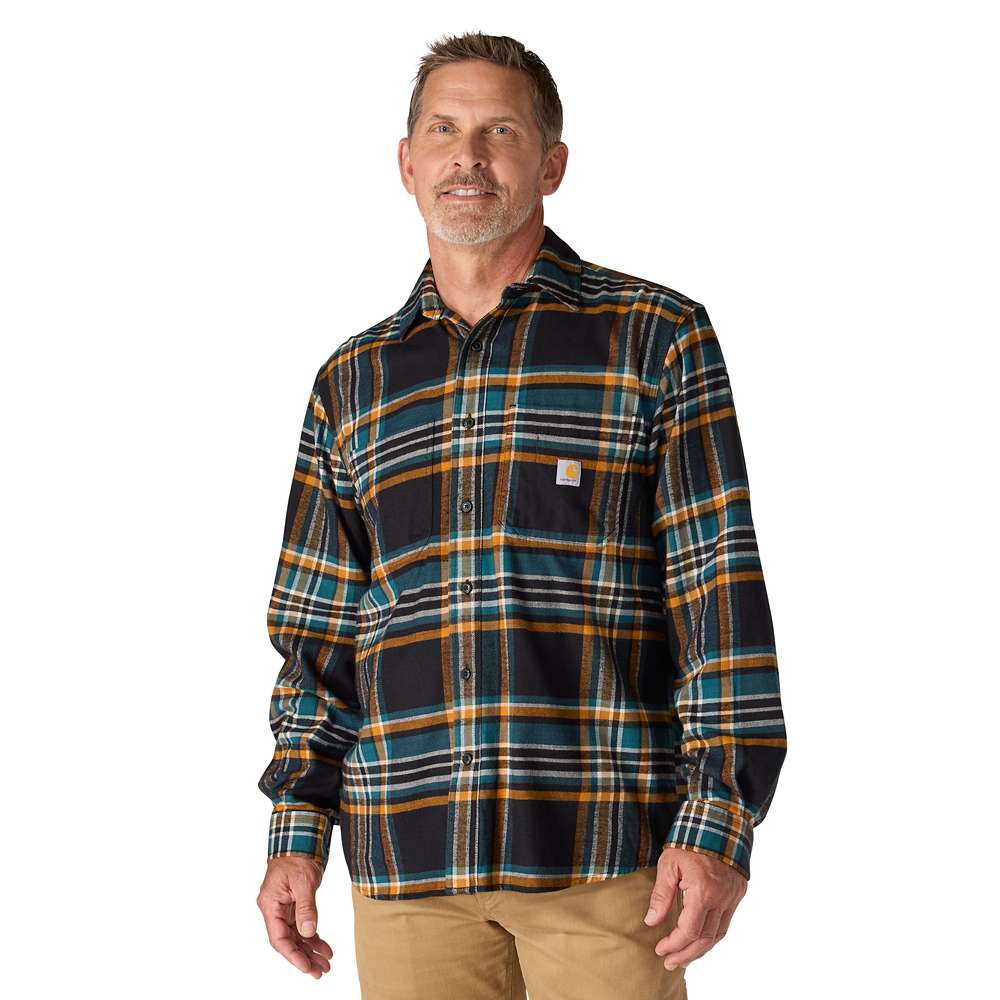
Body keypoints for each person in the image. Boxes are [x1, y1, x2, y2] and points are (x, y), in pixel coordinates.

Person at [255, 30, 787, 1000]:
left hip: (602, 854)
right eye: (443, 130)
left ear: (551, 164)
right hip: (407, 861)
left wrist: (717, 824)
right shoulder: (353, 382)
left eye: (499, 131)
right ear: (406, 163)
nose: (467, 156)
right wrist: (296, 832)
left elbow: (718, 597)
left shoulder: (653, 338)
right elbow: (318, 635)